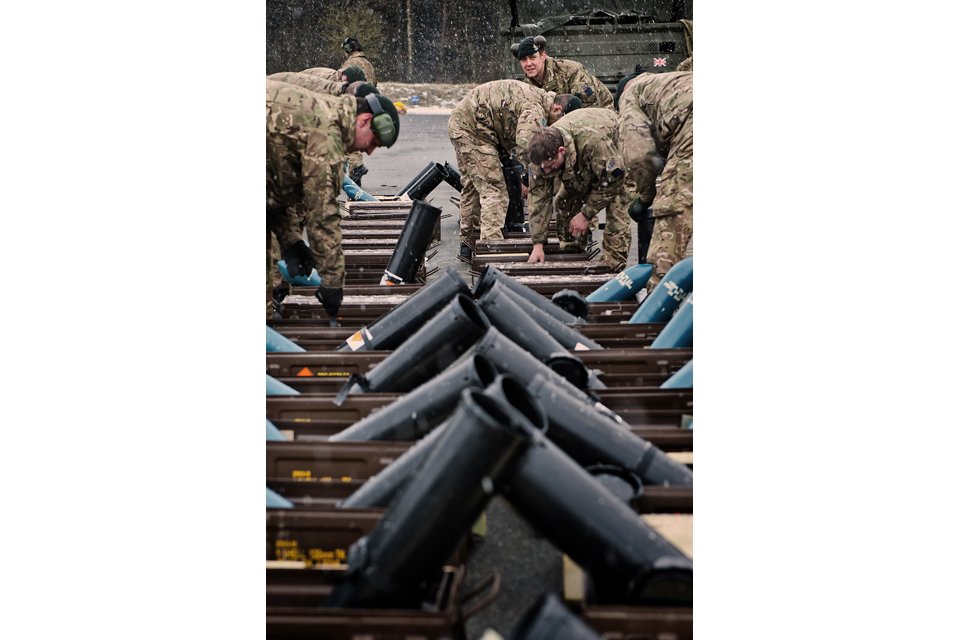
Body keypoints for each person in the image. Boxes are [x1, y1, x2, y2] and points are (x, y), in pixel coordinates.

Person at [266, 83, 400, 323]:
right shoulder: (327, 133)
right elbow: (323, 214)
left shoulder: (326, 113)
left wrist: (291, 241)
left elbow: (274, 186)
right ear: (364, 120)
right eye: (374, 142)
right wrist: (332, 282)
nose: (369, 152)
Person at [447, 80, 580, 256]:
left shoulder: (537, 98)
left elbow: (505, 123)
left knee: (473, 185)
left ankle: (469, 242)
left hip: (467, 124)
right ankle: (491, 249)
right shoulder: (536, 107)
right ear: (556, 109)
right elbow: (527, 144)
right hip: (473, 130)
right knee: (494, 189)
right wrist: (527, 175)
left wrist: (504, 153)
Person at [525, 109, 631, 271]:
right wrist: (538, 244)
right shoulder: (541, 156)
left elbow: (614, 181)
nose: (547, 172)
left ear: (561, 151)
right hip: (585, 162)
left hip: (618, 155)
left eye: (550, 166)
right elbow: (538, 199)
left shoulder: (593, 141)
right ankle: (572, 248)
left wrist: (587, 213)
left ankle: (613, 266)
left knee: (617, 208)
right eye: (543, 168)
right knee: (563, 201)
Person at [615, 70, 692, 290]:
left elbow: (639, 155)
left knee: (670, 219)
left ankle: (657, 309)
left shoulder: (630, 96)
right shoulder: (668, 82)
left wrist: (646, 197)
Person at [512, 36, 613, 110]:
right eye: (524, 60)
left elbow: (590, 107)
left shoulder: (571, 71)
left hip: (602, 115)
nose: (528, 63)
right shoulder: (526, 86)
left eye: (532, 57)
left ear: (543, 56)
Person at [339, 37, 378, 186]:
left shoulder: (349, 64)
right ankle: (356, 173)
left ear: (348, 50)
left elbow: (342, 84)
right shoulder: (368, 63)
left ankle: (356, 168)